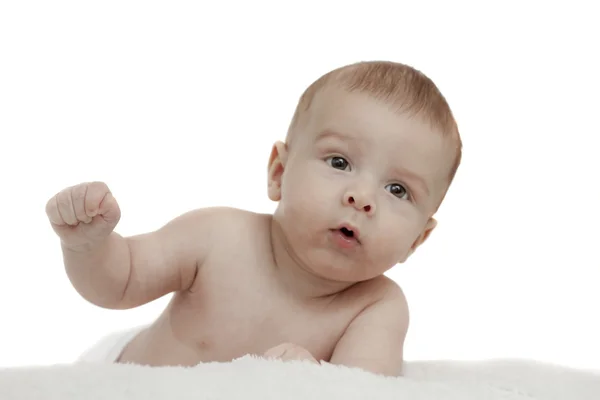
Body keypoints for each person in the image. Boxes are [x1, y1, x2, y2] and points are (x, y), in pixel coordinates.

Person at [45, 60, 462, 377]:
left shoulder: (375, 308)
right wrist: (91, 246)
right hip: (123, 379)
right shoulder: (217, 237)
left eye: (398, 190)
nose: (363, 198)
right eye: (339, 162)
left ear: (417, 240)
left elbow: (362, 390)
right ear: (279, 172)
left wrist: (317, 384)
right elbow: (119, 283)